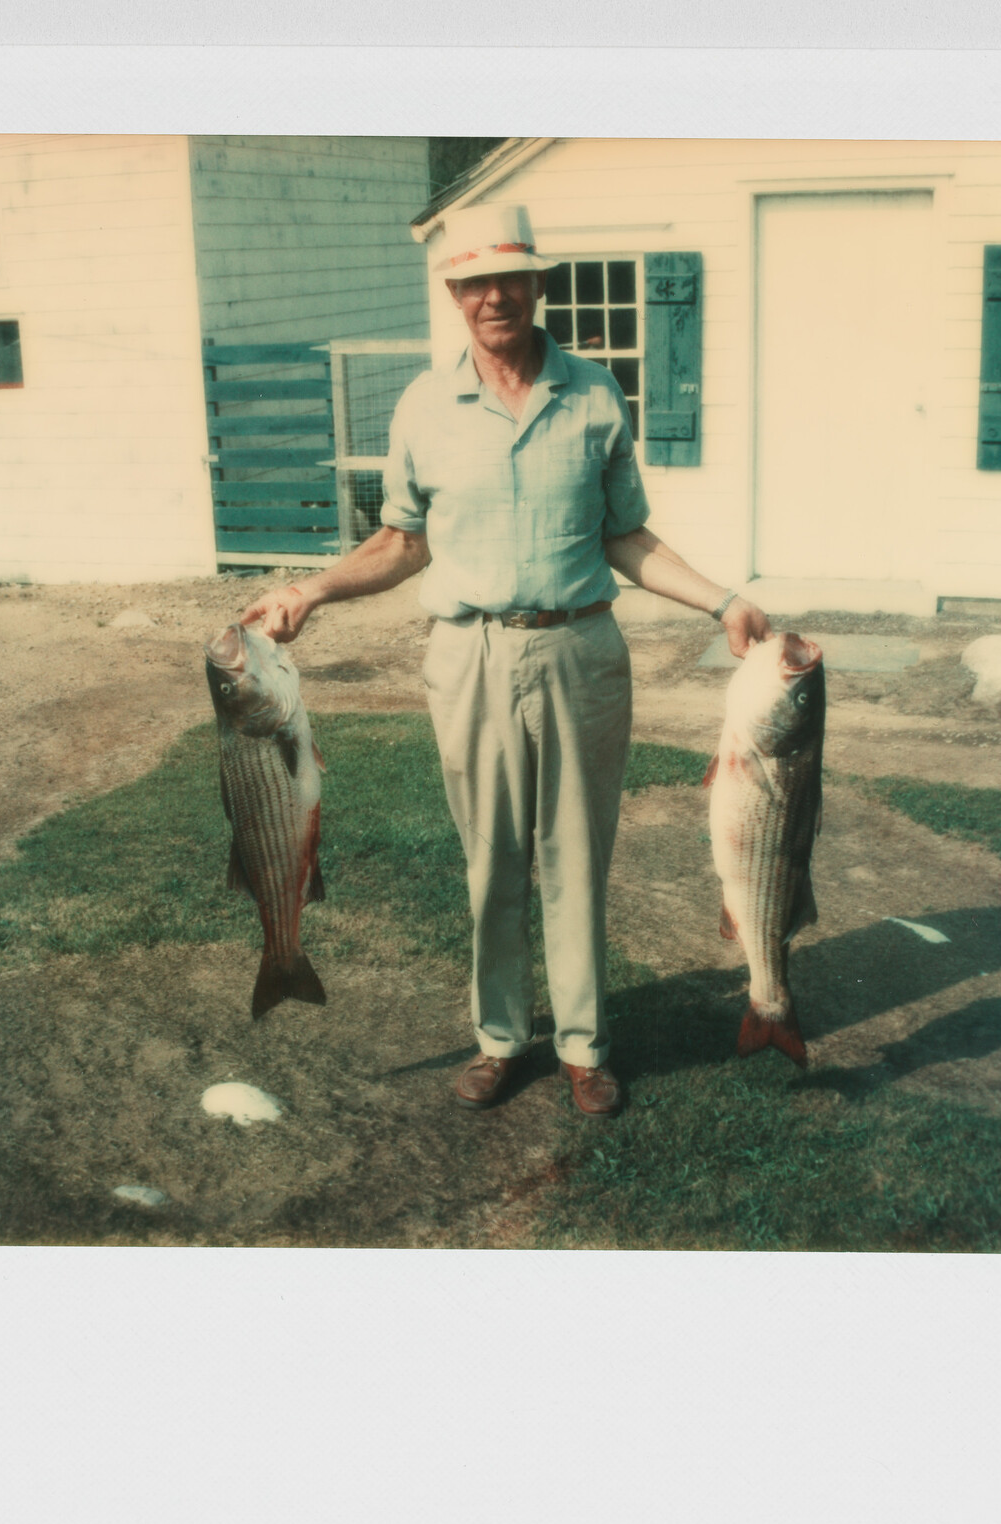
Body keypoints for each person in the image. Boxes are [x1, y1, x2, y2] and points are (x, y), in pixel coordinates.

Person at [243, 203, 772, 1116]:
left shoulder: (596, 394)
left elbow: (626, 538)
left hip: (581, 652)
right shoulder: (421, 405)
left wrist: (724, 600)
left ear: (538, 285)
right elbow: (401, 543)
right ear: (454, 295)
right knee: (490, 863)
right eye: (476, 283)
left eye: (512, 279)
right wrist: (310, 591)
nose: (496, 297)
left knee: (576, 857)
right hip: (470, 656)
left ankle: (582, 1048)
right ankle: (498, 1038)